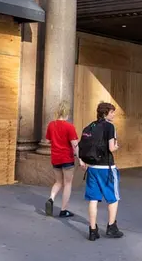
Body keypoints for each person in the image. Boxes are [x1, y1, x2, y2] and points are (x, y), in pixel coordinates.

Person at [78, 101, 123, 241]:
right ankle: (111, 227)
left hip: (92, 168)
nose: (114, 114)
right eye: (112, 112)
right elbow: (111, 148)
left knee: (93, 199)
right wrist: (117, 146)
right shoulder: (110, 127)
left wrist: (81, 161)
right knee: (113, 198)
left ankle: (92, 230)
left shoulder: (90, 126)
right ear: (105, 113)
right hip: (106, 168)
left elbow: (80, 146)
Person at [44, 101, 79, 218]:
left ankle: (51, 198)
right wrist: (81, 159)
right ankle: (64, 210)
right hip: (67, 158)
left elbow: (48, 140)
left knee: (58, 182)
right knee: (68, 183)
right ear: (67, 113)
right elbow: (75, 145)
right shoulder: (69, 127)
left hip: (55, 157)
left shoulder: (51, 125)